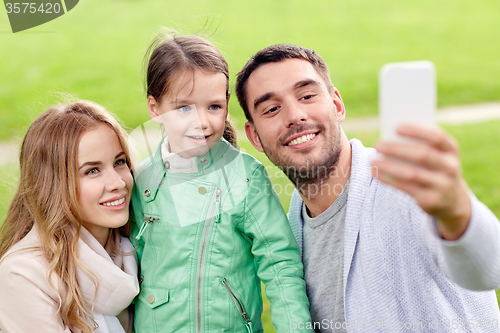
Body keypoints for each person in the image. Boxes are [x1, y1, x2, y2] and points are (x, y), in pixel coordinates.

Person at [235, 44, 500, 332]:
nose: (295, 115)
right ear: (255, 138)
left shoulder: (402, 184)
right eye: (272, 109)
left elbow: (489, 270)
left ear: (337, 105)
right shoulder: (289, 235)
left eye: (307, 95)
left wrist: (458, 212)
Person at [130, 34, 312, 333]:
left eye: (213, 107)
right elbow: (127, 264)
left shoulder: (245, 176)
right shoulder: (143, 181)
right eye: (184, 108)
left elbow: (280, 263)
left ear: (227, 104)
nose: (201, 121)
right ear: (155, 108)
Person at [0, 101, 140, 333]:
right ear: (53, 186)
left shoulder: (137, 246)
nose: (118, 183)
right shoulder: (23, 275)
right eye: (92, 170)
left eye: (120, 162)